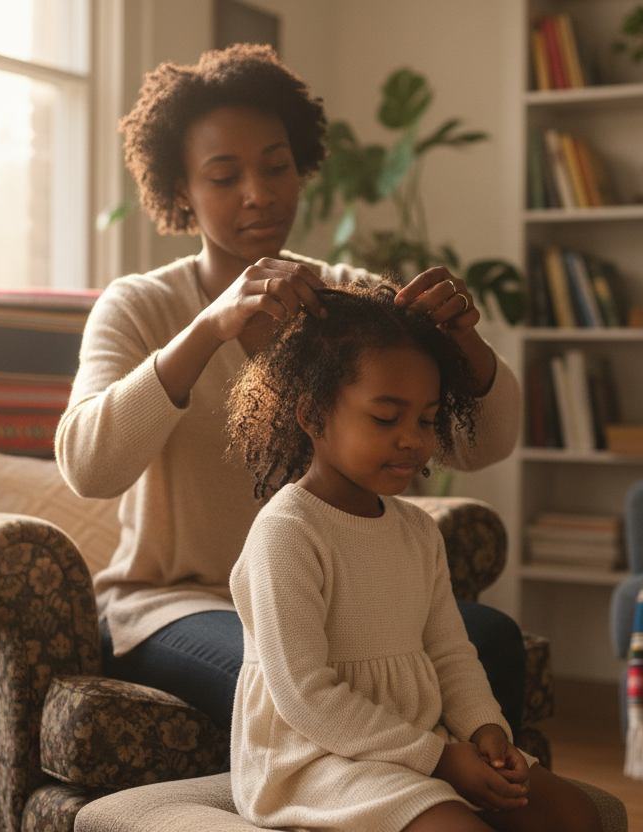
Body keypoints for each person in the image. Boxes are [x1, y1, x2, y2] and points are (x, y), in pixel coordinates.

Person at [55, 43, 525, 733]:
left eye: (276, 166)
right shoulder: (138, 308)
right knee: (278, 678)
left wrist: (467, 345)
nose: (260, 192)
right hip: (179, 606)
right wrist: (208, 329)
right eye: (225, 176)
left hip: (347, 595)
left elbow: (482, 445)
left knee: (494, 641)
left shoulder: (355, 301)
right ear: (181, 191)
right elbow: (88, 467)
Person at [225, 281, 601, 832]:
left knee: (572, 814)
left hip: (415, 741)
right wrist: (441, 759)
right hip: (314, 759)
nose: (412, 441)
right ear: (313, 415)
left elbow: (450, 654)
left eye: (425, 420)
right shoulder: (287, 534)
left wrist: (485, 731)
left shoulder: (418, 531)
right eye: (385, 418)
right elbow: (305, 697)